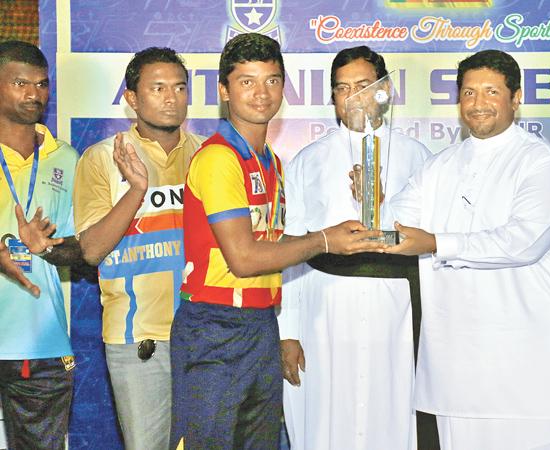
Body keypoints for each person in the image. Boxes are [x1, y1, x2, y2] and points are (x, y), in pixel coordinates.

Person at [169, 33, 385, 450]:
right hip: (215, 326)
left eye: (271, 80)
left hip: (259, 324)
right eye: (246, 81)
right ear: (223, 91)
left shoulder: (269, 161)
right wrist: (324, 239)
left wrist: (343, 232)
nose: (261, 93)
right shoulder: (218, 158)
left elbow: (274, 240)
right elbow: (245, 258)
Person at [382, 49, 550, 449]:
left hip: (530, 365)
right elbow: (395, 224)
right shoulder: (439, 167)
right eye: (469, 93)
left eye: (491, 92)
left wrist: (437, 243)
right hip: (458, 367)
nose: (478, 104)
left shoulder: (538, 162)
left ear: (516, 97)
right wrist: (370, 206)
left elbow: (523, 241)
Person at [279, 45, 431, 450]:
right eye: (343, 89)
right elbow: (292, 248)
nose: (354, 98)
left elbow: (430, 243)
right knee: (328, 418)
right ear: (332, 98)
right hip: (324, 312)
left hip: (396, 310)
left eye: (364, 86)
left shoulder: (421, 159)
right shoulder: (307, 162)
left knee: (393, 414)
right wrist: (288, 331)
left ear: (384, 91)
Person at [72, 47, 205, 450]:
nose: (171, 98)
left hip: (204, 332)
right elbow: (92, 250)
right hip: (138, 335)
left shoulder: (207, 154)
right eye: (158, 88)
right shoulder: (101, 159)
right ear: (131, 98)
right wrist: (137, 190)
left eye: (180, 87)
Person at [0, 40, 82, 450]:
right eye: (20, 83)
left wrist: (47, 248)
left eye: (42, 84)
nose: (34, 94)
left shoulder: (67, 159)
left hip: (40, 343)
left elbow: (84, 248)